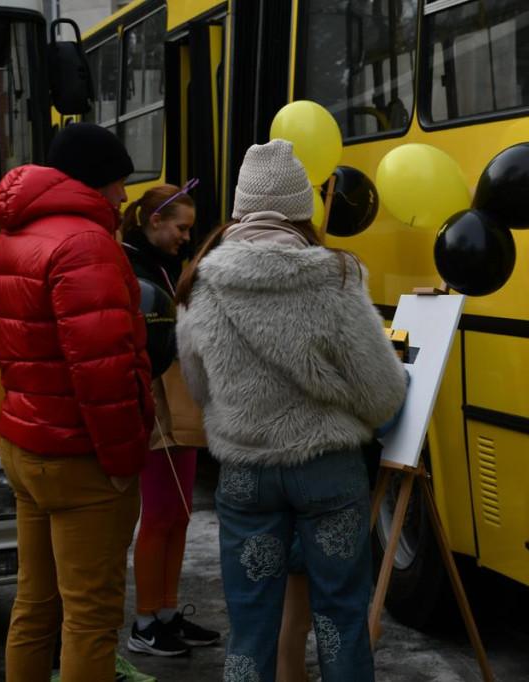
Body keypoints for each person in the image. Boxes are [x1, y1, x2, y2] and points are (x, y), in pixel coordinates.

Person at [175, 139, 407, 681]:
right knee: (341, 618)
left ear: (238, 207)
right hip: (328, 471)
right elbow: (380, 393)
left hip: (246, 475)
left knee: (251, 623)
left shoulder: (201, 283)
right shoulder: (335, 277)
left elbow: (199, 387)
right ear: (303, 208)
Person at [0, 122, 154, 682]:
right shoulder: (86, 244)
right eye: (119, 183)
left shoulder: (13, 233)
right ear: (92, 182)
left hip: (26, 443)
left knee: (35, 606)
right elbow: (103, 374)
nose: (125, 196)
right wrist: (125, 462)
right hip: (80, 459)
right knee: (90, 618)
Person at [119, 182, 221, 656]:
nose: (186, 236)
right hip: (157, 400)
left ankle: (166, 613)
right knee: (160, 516)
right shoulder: (128, 265)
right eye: (180, 227)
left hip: (179, 397)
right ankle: (143, 625)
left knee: (179, 514)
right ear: (154, 221)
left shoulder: (164, 265)